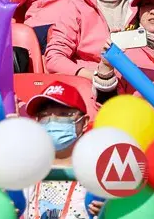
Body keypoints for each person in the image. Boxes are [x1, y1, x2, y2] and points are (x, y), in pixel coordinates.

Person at [22, 81, 101, 219]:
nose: (52, 121)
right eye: (44, 115)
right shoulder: (26, 172)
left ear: (84, 122)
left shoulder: (98, 173)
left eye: (63, 114)